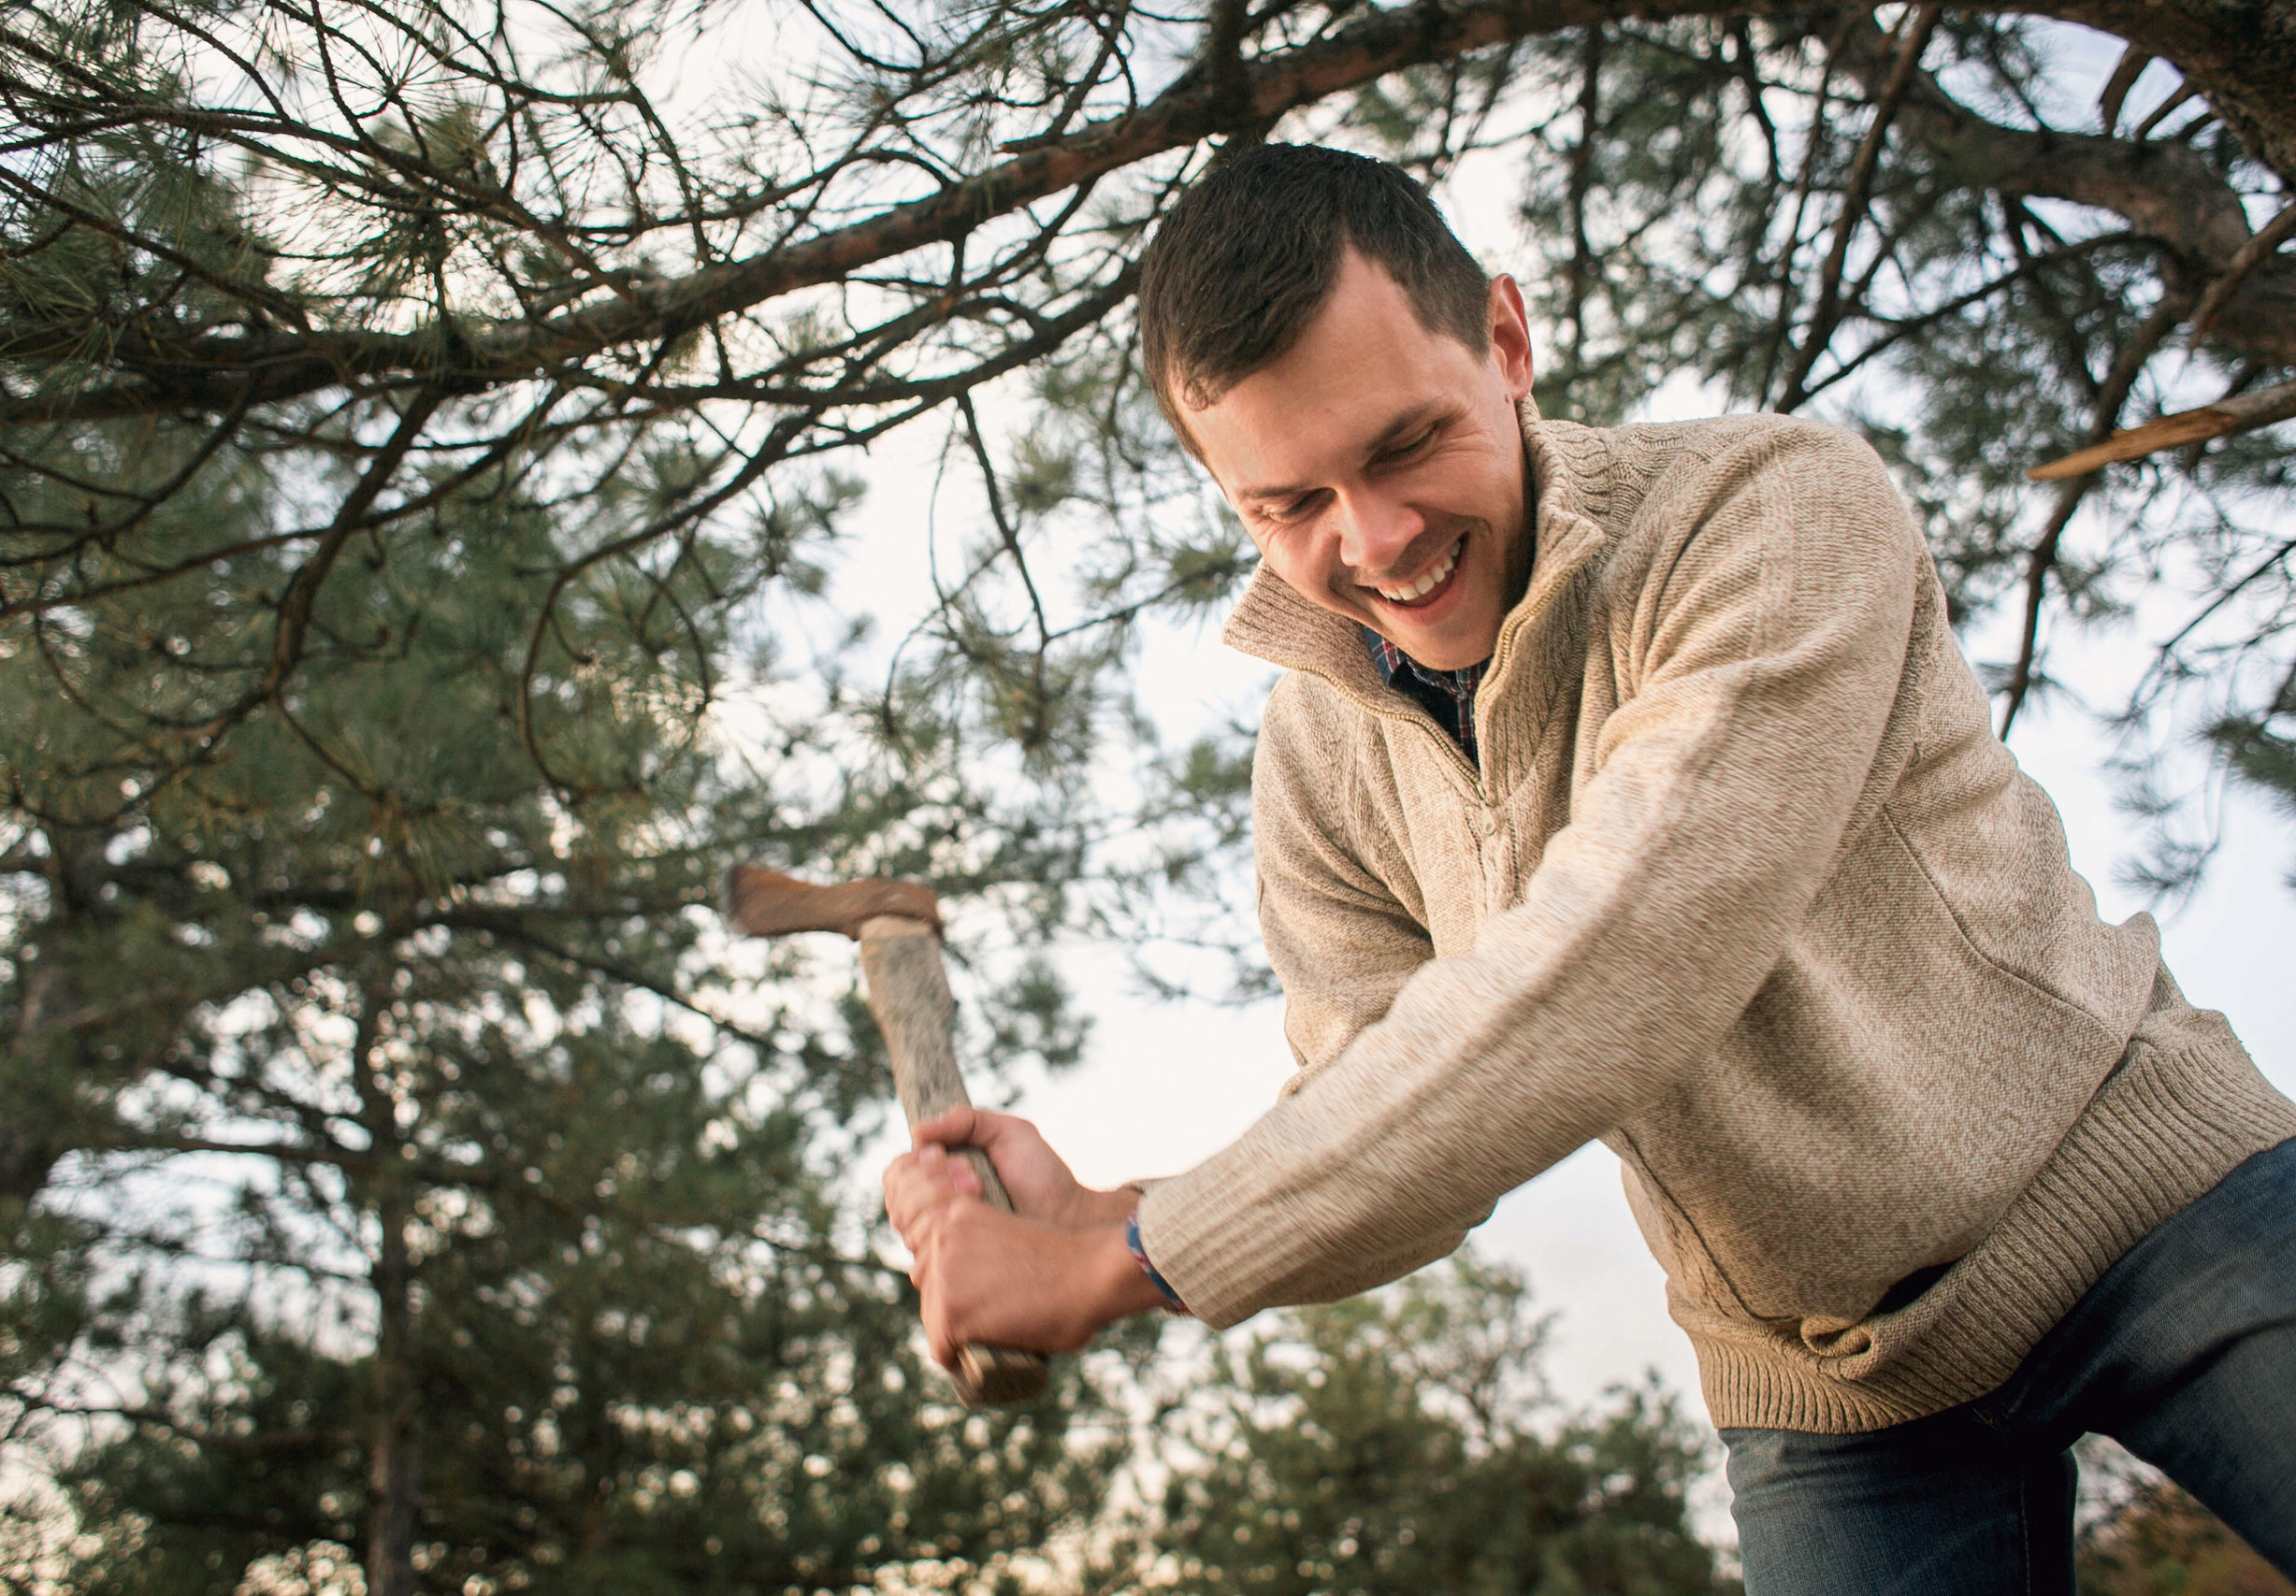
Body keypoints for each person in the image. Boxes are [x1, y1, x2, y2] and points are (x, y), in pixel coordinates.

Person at [880, 144, 2296, 1589]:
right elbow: (1388, 1118)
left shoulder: (1773, 512)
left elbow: (1626, 950)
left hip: (2148, 1205)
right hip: (1831, 1384)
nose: (1374, 540)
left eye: (1402, 445)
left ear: (1505, 340)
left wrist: (1135, 1265)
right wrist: (1109, 1214)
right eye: (1286, 504)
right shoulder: (1316, 764)